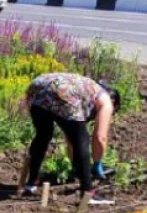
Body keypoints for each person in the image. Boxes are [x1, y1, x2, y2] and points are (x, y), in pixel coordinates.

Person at [22, 73, 120, 205]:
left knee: (43, 135)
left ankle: (31, 183)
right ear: (114, 102)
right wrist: (97, 164)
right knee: (83, 141)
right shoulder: (106, 100)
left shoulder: (86, 94)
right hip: (62, 90)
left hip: (37, 86)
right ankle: (88, 194)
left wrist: (77, 167)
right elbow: (100, 137)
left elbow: (71, 139)